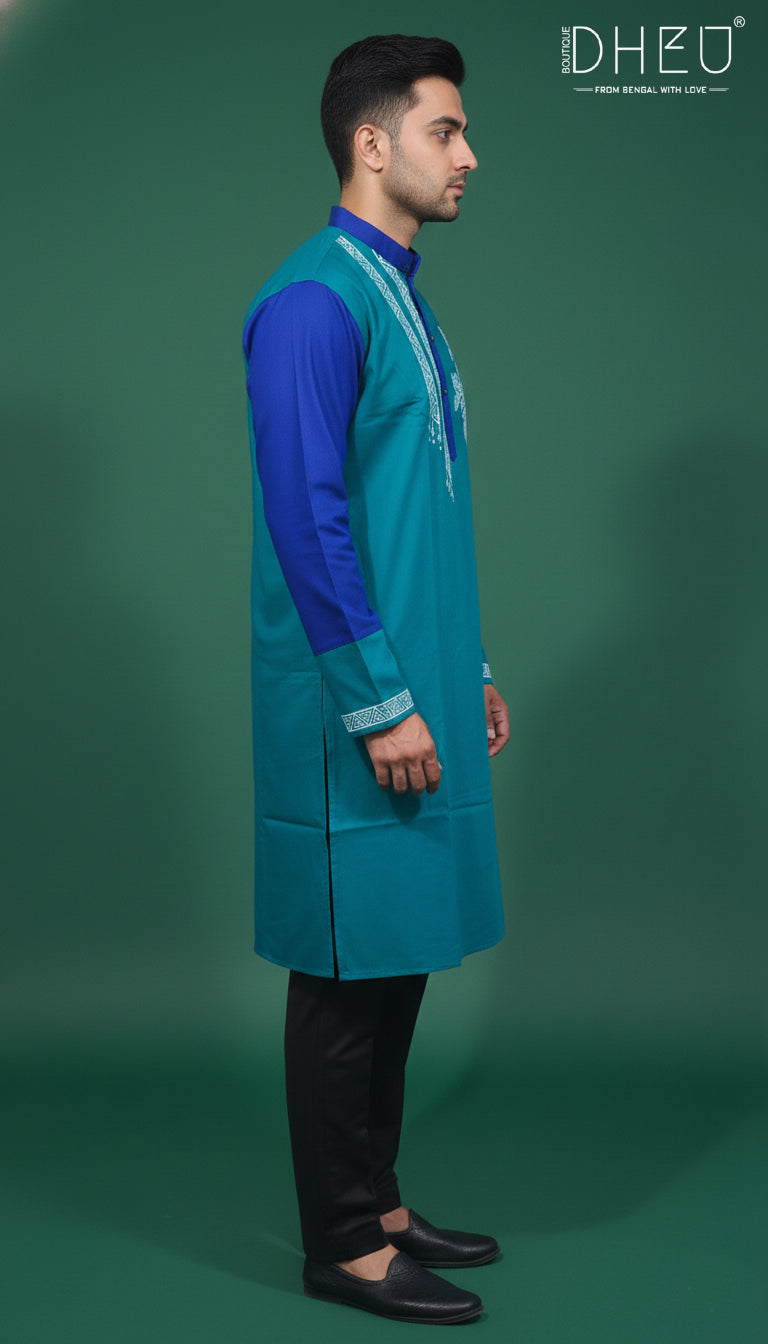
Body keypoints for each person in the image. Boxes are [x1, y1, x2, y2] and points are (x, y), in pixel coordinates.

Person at [242, 34, 510, 1325]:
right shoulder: (314, 300)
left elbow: (416, 518)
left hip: (418, 683)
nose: (469, 155)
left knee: (397, 955)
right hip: (353, 704)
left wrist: (467, 671)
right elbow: (309, 519)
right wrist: (382, 700)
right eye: (446, 130)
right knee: (349, 972)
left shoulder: (403, 296)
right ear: (371, 140)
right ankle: (342, 1244)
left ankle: (382, 1202)